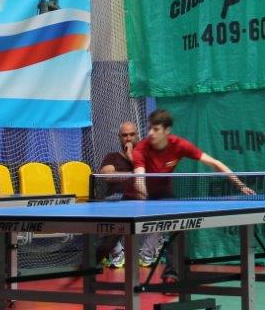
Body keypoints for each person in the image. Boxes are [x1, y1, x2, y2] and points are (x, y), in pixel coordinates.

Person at [131, 109, 252, 280]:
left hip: (164, 195)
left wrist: (240, 185)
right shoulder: (141, 148)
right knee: (112, 234)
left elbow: (214, 163)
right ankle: (94, 262)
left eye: (156, 129)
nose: (150, 133)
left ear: (167, 130)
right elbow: (139, 177)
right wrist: (142, 193)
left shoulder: (179, 145)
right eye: (149, 128)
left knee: (179, 226)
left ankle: (172, 274)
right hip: (138, 195)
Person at [96, 121, 146, 268]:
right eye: (124, 135)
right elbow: (107, 175)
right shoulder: (112, 157)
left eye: (132, 134)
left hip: (141, 201)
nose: (128, 138)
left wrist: (131, 156)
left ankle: (147, 254)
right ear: (119, 137)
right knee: (101, 213)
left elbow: (150, 175)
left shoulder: (145, 156)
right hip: (115, 201)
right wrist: (133, 174)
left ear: (137, 136)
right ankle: (118, 252)